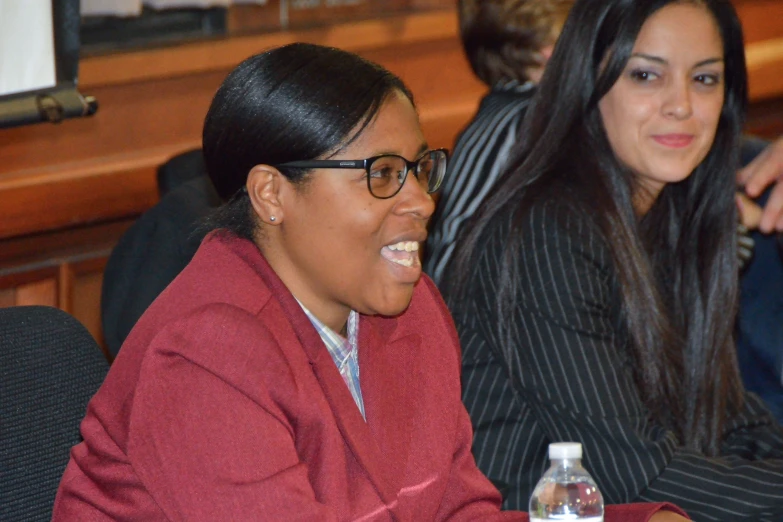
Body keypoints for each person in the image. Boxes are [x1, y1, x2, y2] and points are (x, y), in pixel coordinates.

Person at [51, 43, 686, 522]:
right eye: (381, 173)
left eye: (420, 168)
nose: (422, 201)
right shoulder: (204, 353)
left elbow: (454, 514)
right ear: (272, 193)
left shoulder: (411, 312)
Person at [445, 0, 783, 520]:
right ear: (587, 81)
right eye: (646, 75)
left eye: (706, 79)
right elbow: (635, 477)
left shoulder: (671, 212)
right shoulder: (548, 229)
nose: (682, 105)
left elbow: (727, 419)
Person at [425, 0, 783, 285]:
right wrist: (735, 220)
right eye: (641, 73)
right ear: (566, 55)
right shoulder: (540, 127)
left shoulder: (493, 119)